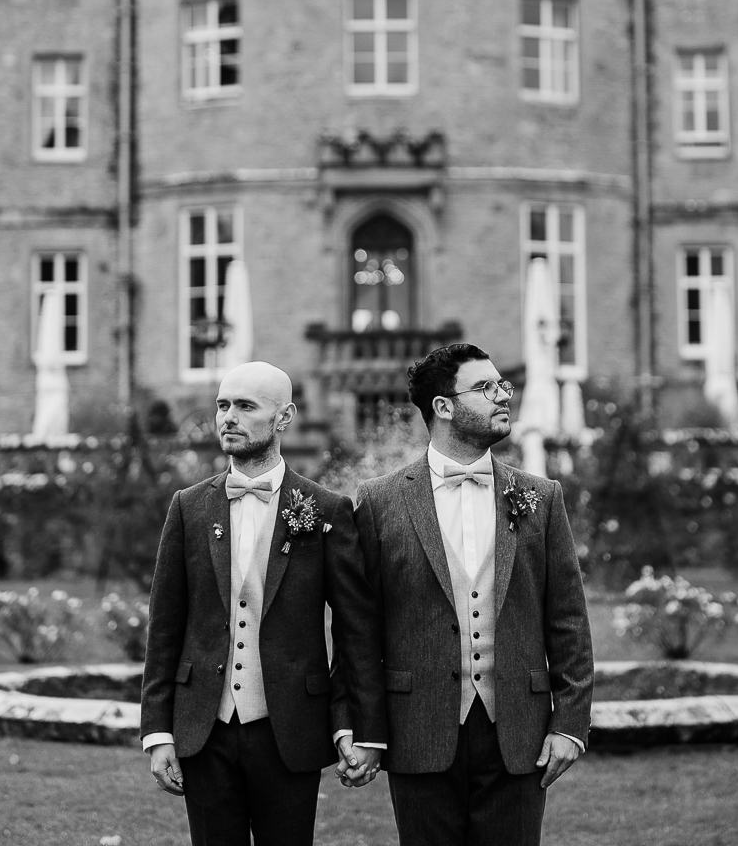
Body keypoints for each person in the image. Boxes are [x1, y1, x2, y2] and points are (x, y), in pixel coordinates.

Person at [354, 342, 594, 845]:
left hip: (519, 731)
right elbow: (360, 632)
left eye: (501, 385)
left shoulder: (541, 497)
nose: (502, 396)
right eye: (484, 388)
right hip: (417, 726)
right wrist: (365, 729)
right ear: (443, 407)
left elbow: (568, 619)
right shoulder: (378, 502)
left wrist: (570, 724)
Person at [139, 361, 387, 845]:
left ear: (284, 417)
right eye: (223, 405)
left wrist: (358, 726)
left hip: (290, 728)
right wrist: (158, 732)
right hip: (202, 728)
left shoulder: (326, 510)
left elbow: (357, 631)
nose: (228, 417)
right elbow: (164, 626)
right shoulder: (189, 507)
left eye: (245, 406)